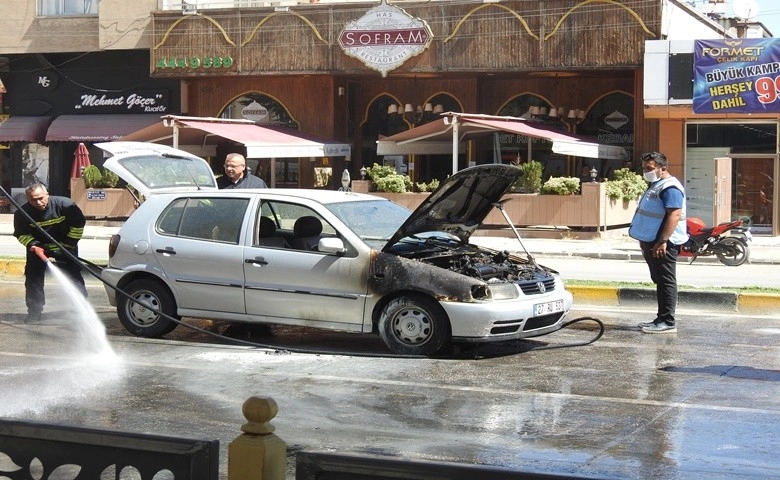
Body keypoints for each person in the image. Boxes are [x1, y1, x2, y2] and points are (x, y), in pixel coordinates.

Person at [628, 152, 688, 334]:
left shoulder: (670, 187)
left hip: (663, 243)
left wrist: (662, 241)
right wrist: (644, 239)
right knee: (659, 280)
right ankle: (660, 318)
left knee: (666, 281)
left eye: (649, 168)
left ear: (663, 168)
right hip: (652, 241)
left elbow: (674, 214)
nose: (645, 171)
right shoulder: (657, 184)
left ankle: (668, 321)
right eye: (644, 167)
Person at [13, 183, 87, 322]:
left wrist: (67, 245)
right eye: (33, 200)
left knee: (74, 276)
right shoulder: (22, 213)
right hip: (39, 249)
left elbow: (78, 225)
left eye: (41, 198)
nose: (38, 202)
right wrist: (34, 246)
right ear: (28, 199)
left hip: (66, 247)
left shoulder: (65, 205)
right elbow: (21, 234)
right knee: (33, 280)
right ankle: (34, 312)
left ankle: (81, 310)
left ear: (47, 194)